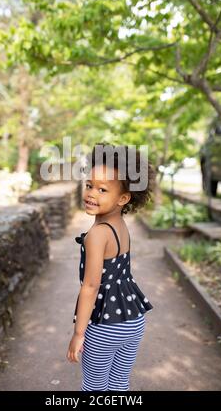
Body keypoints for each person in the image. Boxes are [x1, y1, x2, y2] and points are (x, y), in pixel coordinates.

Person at [66, 143, 156, 391]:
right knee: (118, 383)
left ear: (123, 198)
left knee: (94, 387)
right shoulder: (120, 227)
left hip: (106, 323)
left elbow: (91, 286)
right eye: (89, 185)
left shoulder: (97, 234)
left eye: (102, 189)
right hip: (133, 320)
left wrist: (78, 333)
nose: (91, 194)